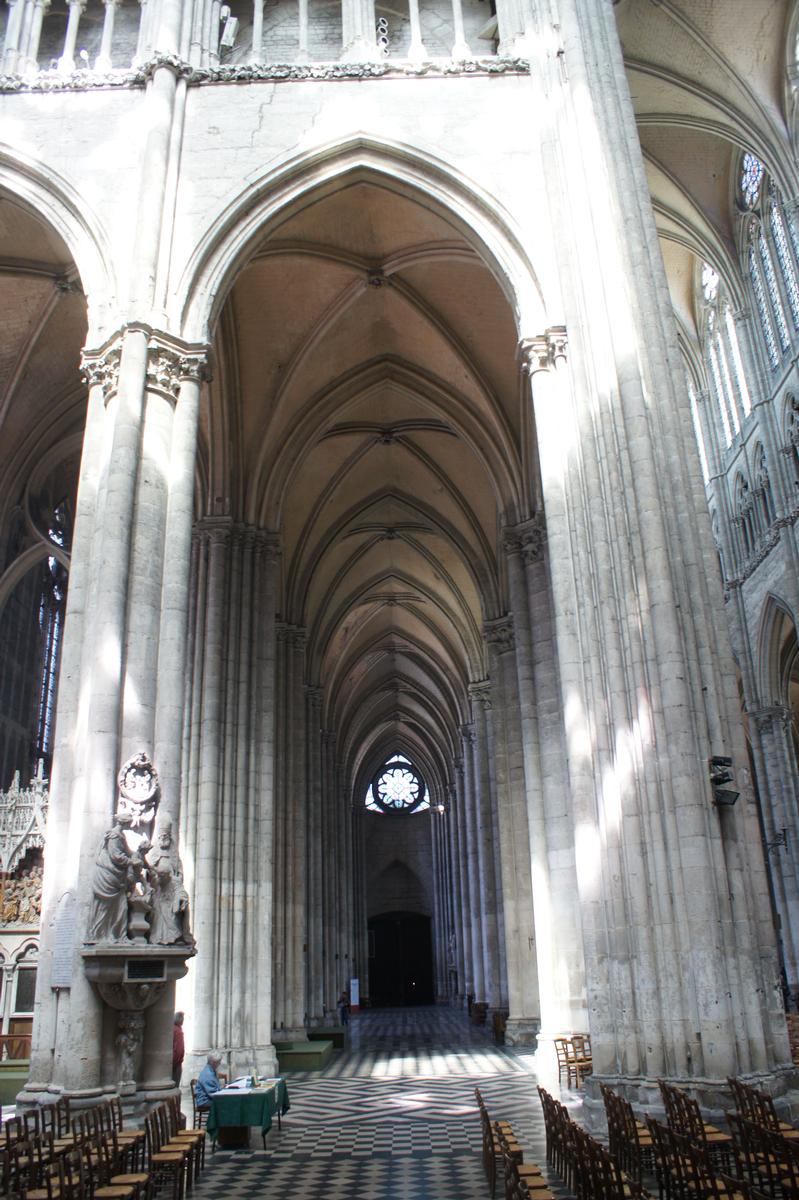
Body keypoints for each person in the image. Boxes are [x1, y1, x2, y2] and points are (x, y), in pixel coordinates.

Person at [172, 1012, 185, 1087]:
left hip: (172, 1063)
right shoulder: (177, 1031)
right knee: (175, 1088)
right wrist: (175, 1062)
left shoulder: (172, 1028)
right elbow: (179, 1050)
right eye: (183, 1019)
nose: (183, 1021)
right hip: (175, 1065)